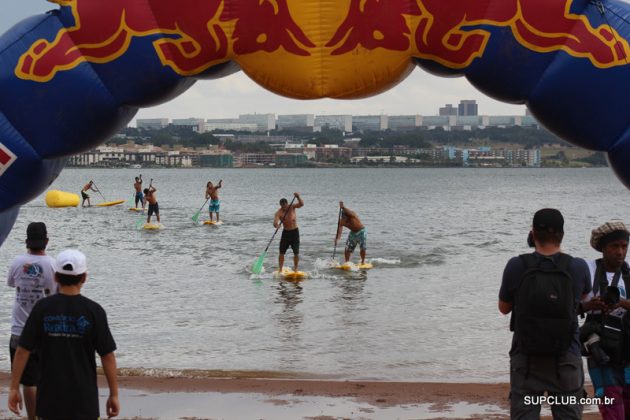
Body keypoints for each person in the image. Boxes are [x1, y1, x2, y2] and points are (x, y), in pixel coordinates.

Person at [498, 208, 591, 419]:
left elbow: (504, 308)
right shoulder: (577, 266)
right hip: (567, 357)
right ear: (562, 234)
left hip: (526, 359)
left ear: (532, 233)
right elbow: (584, 299)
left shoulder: (516, 265)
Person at [8, 249, 119, 419]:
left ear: (56, 277)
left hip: (49, 401)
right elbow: (107, 356)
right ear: (84, 278)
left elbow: (23, 350)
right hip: (84, 400)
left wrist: (14, 388)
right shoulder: (94, 311)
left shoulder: (42, 308)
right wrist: (114, 394)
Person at [6, 222, 57, 420]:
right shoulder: (52, 264)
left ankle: (32, 417)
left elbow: (11, 283)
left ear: (26, 241)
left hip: (19, 331)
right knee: (46, 378)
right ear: (46, 241)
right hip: (46, 330)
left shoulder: (17, 262)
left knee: (29, 382)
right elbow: (58, 292)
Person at [579, 221, 630, 419]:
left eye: (624, 246)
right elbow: (567, 307)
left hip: (627, 351)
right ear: (602, 248)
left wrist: (622, 303)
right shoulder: (588, 270)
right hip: (601, 352)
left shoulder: (628, 273)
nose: (620, 252)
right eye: (614, 246)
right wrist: (590, 305)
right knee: (612, 410)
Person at [274, 192, 304, 273]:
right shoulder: (279, 212)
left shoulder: (292, 207)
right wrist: (277, 225)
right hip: (286, 233)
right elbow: (275, 222)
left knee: (296, 252)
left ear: (287, 204)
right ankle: (280, 270)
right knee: (281, 252)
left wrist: (298, 197)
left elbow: (301, 204)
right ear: (280, 205)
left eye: (285, 206)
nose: (284, 208)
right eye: (282, 206)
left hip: (295, 232)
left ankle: (296, 269)